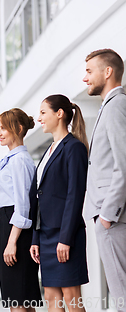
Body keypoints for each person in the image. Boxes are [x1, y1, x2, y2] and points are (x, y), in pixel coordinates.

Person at [29, 94, 89, 312]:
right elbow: (40, 196)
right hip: (45, 236)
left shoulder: (74, 147)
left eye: (43, 112)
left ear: (59, 114)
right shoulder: (49, 150)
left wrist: (65, 239)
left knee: (71, 296)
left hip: (65, 235)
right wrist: (36, 237)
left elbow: (75, 195)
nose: (39, 118)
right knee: (51, 297)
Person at [83, 48, 126, 309]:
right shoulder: (109, 106)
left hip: (114, 216)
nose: (85, 78)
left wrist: (107, 216)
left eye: (89, 71)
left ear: (107, 72)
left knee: (121, 293)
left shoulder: (117, 105)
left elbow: (124, 163)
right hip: (109, 216)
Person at [0, 108, 41, 311]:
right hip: (9, 225)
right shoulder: (13, 159)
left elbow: (23, 206)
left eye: (3, 128)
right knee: (21, 298)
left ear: (19, 129)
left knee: (17, 300)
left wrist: (11, 242)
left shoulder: (19, 161)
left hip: (14, 229)